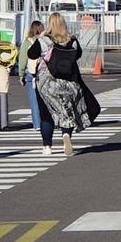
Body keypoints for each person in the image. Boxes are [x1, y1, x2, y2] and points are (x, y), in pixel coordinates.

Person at [28, 12, 89, 156]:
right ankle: (66, 135)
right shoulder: (72, 41)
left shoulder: (43, 41)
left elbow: (31, 54)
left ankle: (47, 146)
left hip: (46, 83)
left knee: (46, 114)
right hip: (69, 81)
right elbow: (78, 55)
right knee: (67, 112)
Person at [19, 20, 44, 130]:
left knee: (34, 101)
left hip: (31, 73)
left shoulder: (27, 42)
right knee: (46, 100)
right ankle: (48, 122)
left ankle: (37, 124)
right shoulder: (45, 40)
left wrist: (21, 74)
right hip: (44, 72)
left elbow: (23, 59)